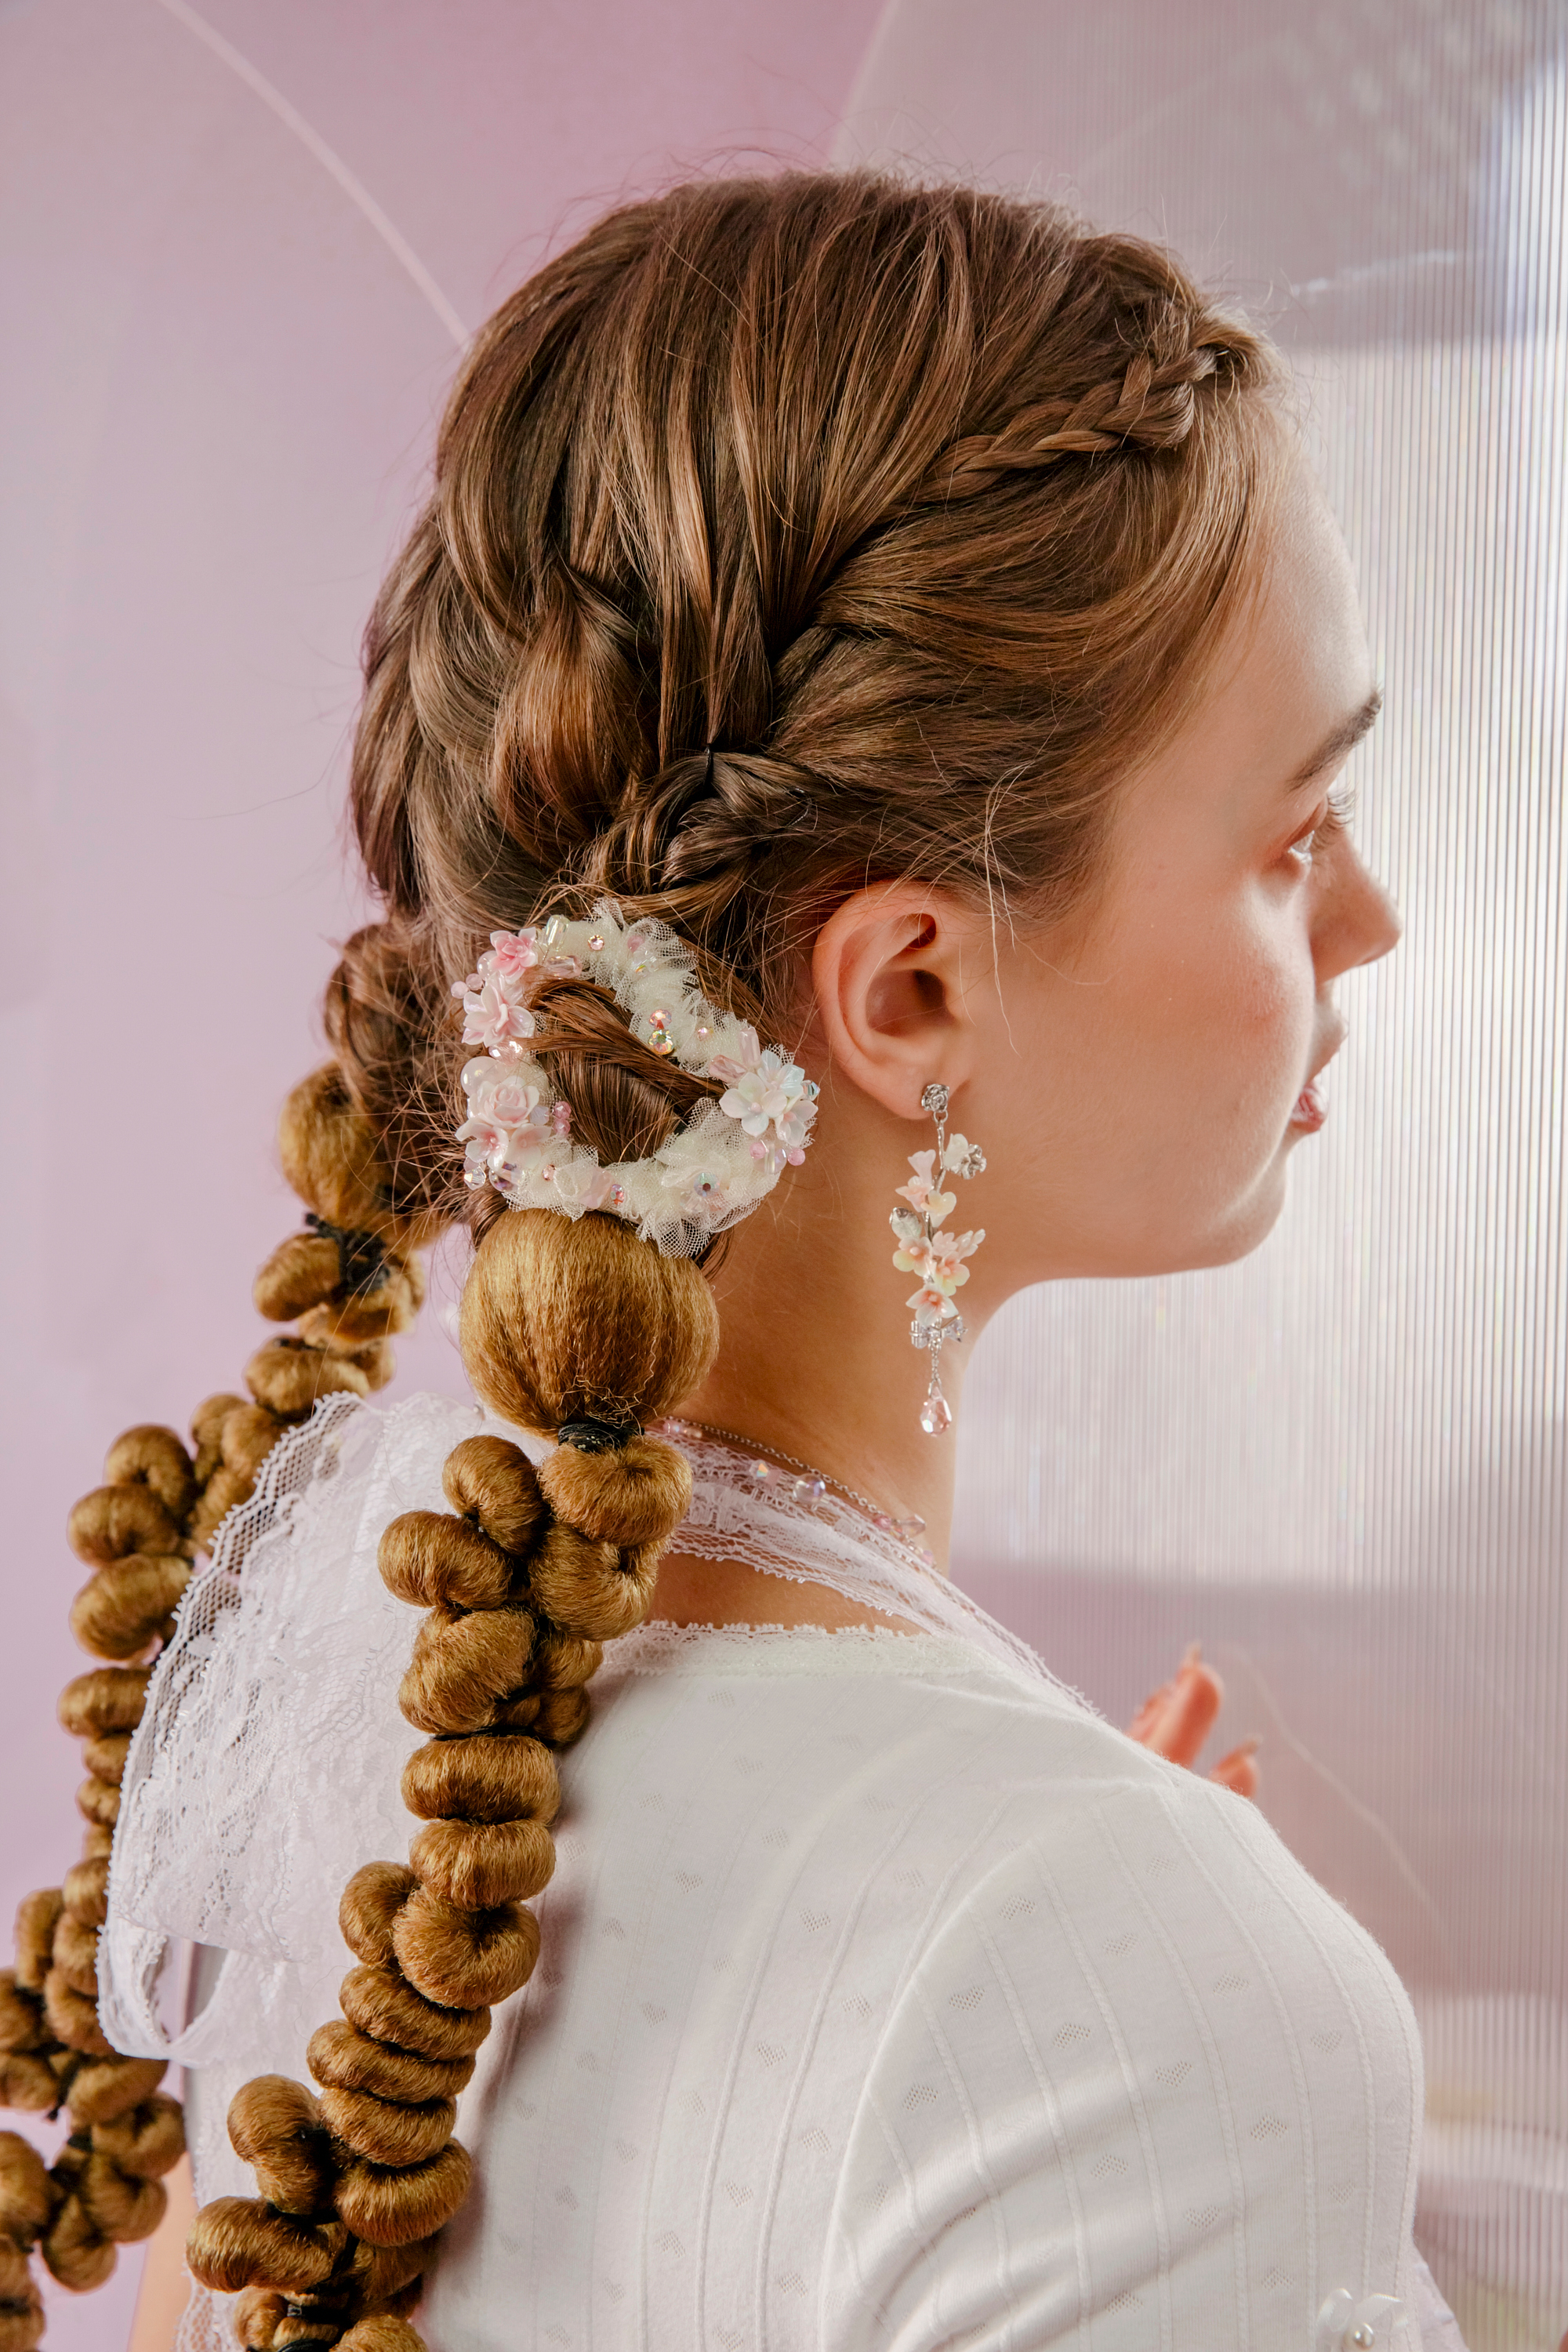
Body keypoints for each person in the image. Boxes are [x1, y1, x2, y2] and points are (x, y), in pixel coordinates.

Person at [0, 172, 1465, 2351]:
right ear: (907, 999)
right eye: (1288, 839)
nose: (1367, 926)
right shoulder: (1133, 1987)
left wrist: (1046, 1944)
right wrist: (1115, 1978)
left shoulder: (358, 1669)